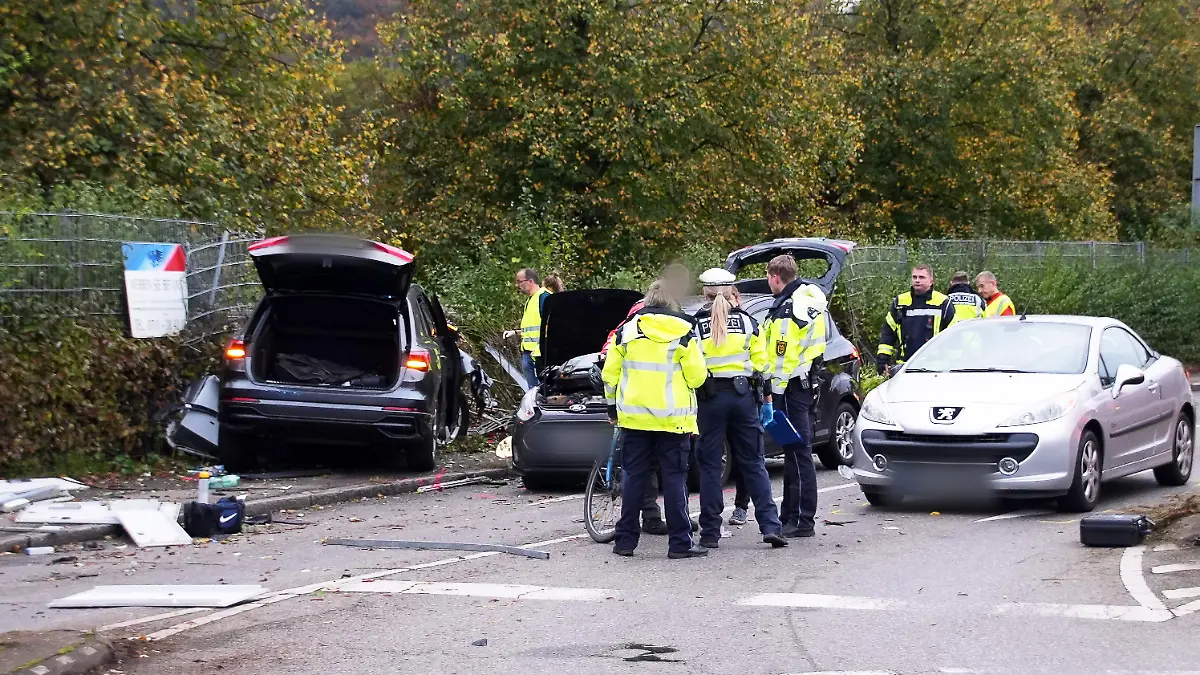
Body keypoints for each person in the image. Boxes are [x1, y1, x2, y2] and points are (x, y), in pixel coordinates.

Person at [602, 280, 709, 559]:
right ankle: (680, 544)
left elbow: (609, 375)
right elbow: (697, 377)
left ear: (647, 301)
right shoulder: (685, 332)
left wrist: (612, 408)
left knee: (634, 478)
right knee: (674, 481)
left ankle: (625, 542)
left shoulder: (626, 331)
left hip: (635, 420)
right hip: (674, 420)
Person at [693, 268, 787, 549]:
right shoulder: (748, 323)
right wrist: (767, 400)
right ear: (732, 292)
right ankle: (771, 526)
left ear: (705, 294)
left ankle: (710, 532)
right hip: (744, 398)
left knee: (710, 466)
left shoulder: (695, 325)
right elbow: (762, 365)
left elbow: (691, 366)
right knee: (754, 462)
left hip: (709, 399)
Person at [761, 255, 827, 539]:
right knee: (794, 452)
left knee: (798, 453)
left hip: (789, 387)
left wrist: (772, 393)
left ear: (776, 277)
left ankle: (801, 519)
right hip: (804, 383)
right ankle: (791, 514)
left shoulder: (789, 310)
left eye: (768, 278)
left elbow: (781, 357)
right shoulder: (808, 300)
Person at [876, 264, 955, 372]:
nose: (917, 280)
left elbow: (953, 334)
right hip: (905, 364)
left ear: (931, 281)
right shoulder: (900, 301)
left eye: (921, 277)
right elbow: (888, 331)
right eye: (914, 277)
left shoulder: (943, 302)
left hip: (935, 366)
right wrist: (883, 358)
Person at [511, 268, 549, 387]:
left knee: (543, 390)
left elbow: (551, 326)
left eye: (519, 281)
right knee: (533, 391)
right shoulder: (530, 300)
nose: (517, 285)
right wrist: (515, 333)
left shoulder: (544, 297)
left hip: (540, 355)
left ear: (530, 281)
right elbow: (532, 329)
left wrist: (542, 348)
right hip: (529, 353)